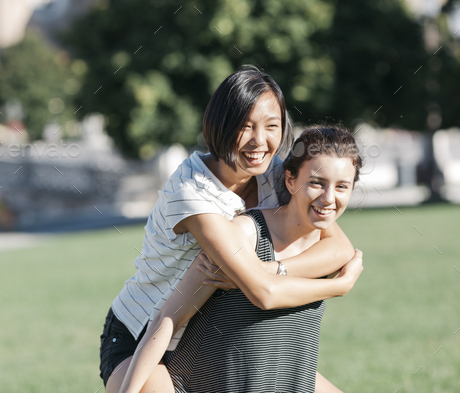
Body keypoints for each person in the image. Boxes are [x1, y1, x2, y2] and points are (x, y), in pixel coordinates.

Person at [100, 66, 360, 392]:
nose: (259, 141)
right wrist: (338, 285)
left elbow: (338, 247)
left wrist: (272, 268)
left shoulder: (277, 174)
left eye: (271, 126)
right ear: (221, 125)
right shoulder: (192, 193)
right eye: (245, 126)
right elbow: (262, 292)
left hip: (210, 338)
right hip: (145, 336)